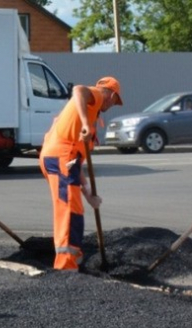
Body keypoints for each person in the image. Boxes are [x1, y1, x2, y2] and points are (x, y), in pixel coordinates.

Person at [39, 77, 122, 270]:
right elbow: (78, 90)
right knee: (68, 209)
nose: (113, 105)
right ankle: (66, 266)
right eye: (115, 102)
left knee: (74, 207)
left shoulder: (92, 113)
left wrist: (88, 192)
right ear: (111, 94)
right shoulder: (96, 95)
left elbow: (75, 161)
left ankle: (72, 260)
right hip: (60, 157)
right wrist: (85, 123)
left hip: (64, 159)